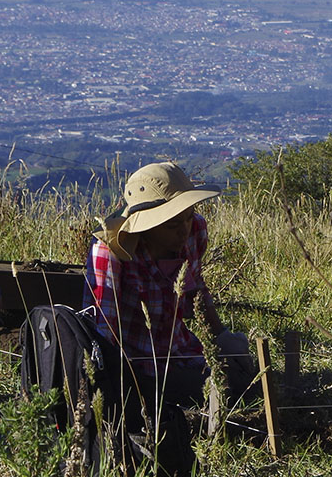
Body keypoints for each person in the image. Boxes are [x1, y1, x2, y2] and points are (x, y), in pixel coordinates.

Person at [86, 161, 254, 410]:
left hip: (183, 351)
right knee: (211, 394)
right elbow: (104, 330)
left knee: (246, 384)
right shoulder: (111, 254)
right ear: (147, 226)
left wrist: (222, 337)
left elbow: (196, 289)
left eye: (187, 217)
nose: (184, 229)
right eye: (173, 224)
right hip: (136, 366)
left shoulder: (195, 230)